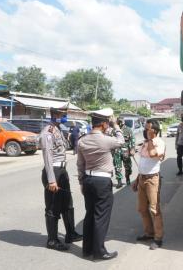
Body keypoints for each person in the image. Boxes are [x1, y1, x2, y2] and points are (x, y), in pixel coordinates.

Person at [77, 108, 125, 260]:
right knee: (101, 217)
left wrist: (81, 182)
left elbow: (80, 164)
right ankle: (99, 252)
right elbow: (121, 141)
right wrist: (116, 126)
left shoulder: (82, 140)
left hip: (88, 180)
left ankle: (87, 250)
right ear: (104, 124)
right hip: (102, 181)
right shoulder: (105, 140)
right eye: (107, 124)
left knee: (90, 214)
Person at [40, 107, 82, 251]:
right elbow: (47, 157)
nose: (64, 117)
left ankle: (70, 233)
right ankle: (52, 240)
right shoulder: (48, 132)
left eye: (65, 114)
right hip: (54, 172)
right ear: (54, 115)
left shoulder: (58, 129)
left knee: (67, 205)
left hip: (61, 171)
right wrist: (52, 180)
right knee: (53, 207)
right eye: (62, 115)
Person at [133, 119, 165, 250]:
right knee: (142, 208)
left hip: (152, 179)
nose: (145, 131)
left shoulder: (159, 143)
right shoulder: (145, 143)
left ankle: (158, 238)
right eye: (145, 129)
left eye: (148, 129)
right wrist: (137, 179)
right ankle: (149, 233)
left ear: (155, 131)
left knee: (154, 209)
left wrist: (151, 140)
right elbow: (143, 163)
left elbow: (152, 155)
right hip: (142, 178)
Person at [112, 118, 135, 188]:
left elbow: (132, 140)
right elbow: (111, 140)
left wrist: (132, 149)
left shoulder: (128, 130)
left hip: (126, 151)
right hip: (116, 151)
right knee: (117, 167)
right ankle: (119, 182)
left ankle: (127, 178)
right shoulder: (114, 130)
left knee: (128, 166)